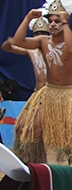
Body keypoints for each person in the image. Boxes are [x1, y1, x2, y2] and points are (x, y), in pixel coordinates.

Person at [11, 0, 72, 182]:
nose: (53, 25)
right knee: (34, 128)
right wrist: (28, 18)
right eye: (50, 21)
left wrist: (65, 23)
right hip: (51, 93)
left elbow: (70, 49)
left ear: (65, 22)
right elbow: (17, 42)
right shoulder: (43, 41)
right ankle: (38, 168)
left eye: (57, 21)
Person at [3, 12, 49, 161]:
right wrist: (13, 41)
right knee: (22, 126)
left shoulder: (56, 50)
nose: (40, 37)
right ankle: (26, 159)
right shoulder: (31, 51)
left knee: (62, 131)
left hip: (54, 94)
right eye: (36, 34)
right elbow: (6, 47)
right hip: (37, 95)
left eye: (43, 34)